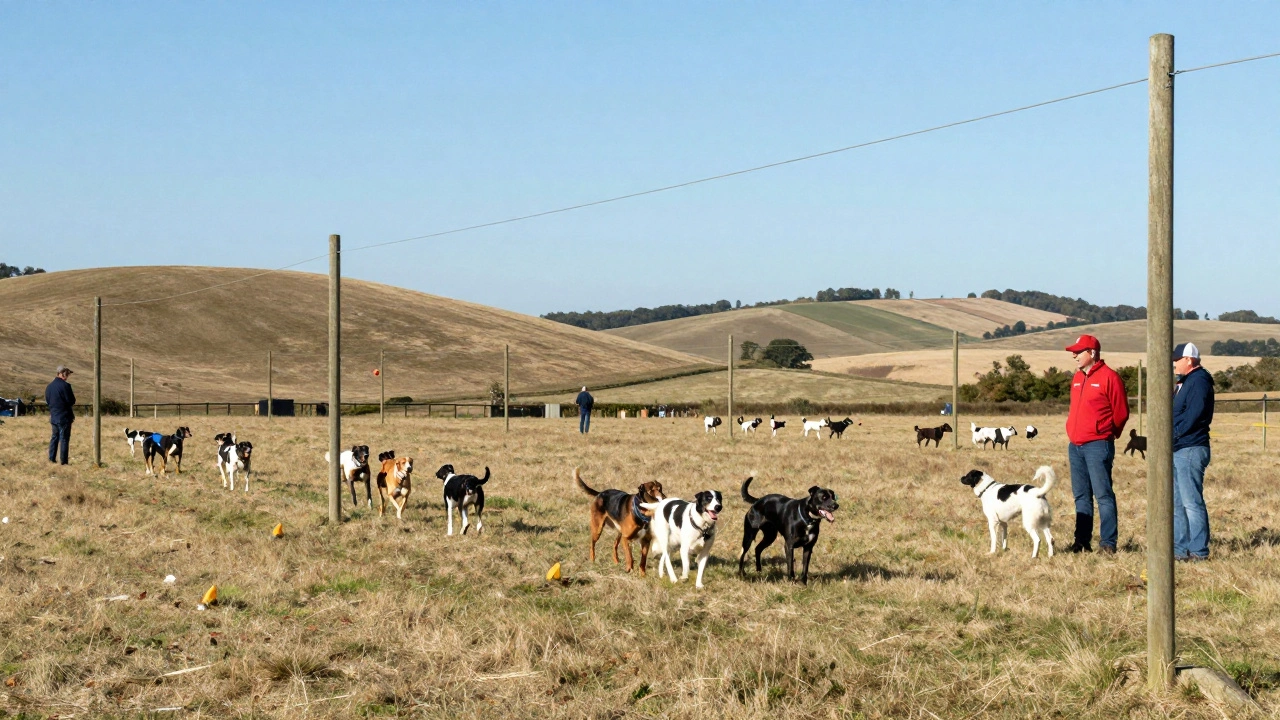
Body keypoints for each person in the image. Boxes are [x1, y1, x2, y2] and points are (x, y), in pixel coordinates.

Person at [1063, 335, 1129, 554]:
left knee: (1103, 495)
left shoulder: (1110, 377)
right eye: (1074, 351)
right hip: (1076, 445)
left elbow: (1121, 413)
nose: (1074, 355)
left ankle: (1108, 543)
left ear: (1092, 353)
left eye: (1078, 351)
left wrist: (1107, 433)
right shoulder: (1077, 378)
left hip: (1098, 445)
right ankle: (1081, 542)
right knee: (1081, 496)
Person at [1172, 342, 1214, 561]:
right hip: (1179, 447)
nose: (1174, 363)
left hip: (1190, 447)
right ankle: (1179, 550)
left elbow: (1195, 413)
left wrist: (1176, 433)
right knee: (1178, 503)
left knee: (1191, 502)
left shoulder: (1198, 381)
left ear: (1189, 359)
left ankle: (1198, 551)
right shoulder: (1185, 381)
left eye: (1177, 359)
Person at [45, 365, 76, 465]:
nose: (67, 376)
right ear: (62, 374)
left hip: (54, 416)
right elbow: (71, 401)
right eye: (67, 374)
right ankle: (64, 461)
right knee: (64, 439)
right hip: (64, 417)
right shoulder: (66, 386)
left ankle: (51, 458)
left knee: (54, 437)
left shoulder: (49, 387)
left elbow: (48, 401)